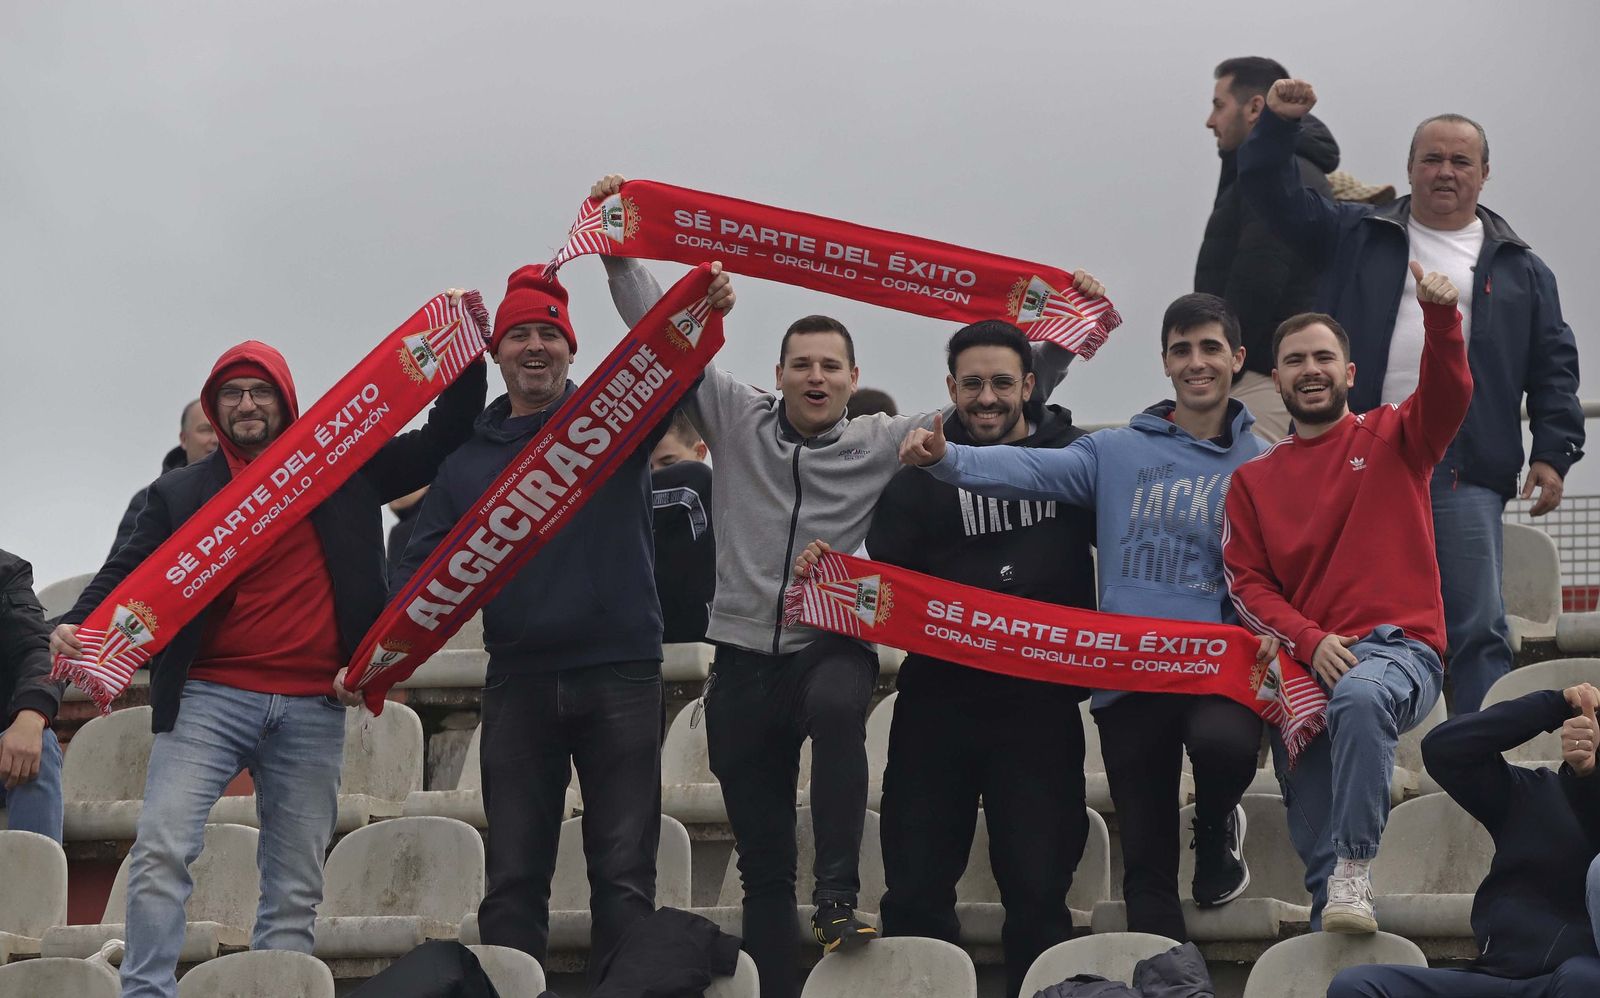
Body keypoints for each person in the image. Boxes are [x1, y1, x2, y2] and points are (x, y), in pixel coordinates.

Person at [592, 165, 1107, 998]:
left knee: (840, 703)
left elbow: (998, 398)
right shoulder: (733, 416)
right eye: (802, 364)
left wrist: (1070, 325)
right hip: (741, 662)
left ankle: (837, 892)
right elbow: (665, 337)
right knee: (761, 868)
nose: (817, 378)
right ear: (781, 372)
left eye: (832, 365)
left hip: (826, 648)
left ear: (850, 373)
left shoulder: (882, 439)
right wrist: (619, 256)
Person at [51, 332, 485, 998]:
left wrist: (462, 352)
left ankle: (277, 989)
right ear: (213, 407)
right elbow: (124, 571)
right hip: (206, 698)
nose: (247, 404)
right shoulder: (179, 492)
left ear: (285, 400)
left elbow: (446, 435)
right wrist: (72, 623)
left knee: (295, 878)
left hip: (314, 702)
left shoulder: (340, 466)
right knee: (161, 849)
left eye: (260, 391)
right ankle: (144, 992)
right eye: (233, 393)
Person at [393, 264, 734, 985]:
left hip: (622, 673)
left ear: (573, 348)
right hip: (518, 679)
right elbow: (414, 574)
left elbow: (673, 365)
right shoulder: (464, 466)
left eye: (550, 332)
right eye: (520, 334)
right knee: (514, 881)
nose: (536, 346)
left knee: (623, 876)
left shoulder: (611, 419)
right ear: (497, 353)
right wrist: (368, 653)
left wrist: (698, 308)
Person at [901, 293, 1271, 943]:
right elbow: (1028, 466)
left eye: (1210, 347)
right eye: (1182, 349)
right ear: (1164, 362)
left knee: (1224, 744)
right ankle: (1171, 985)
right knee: (1146, 870)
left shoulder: (1265, 462)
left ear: (1237, 359)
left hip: (1217, 662)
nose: (1196, 362)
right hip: (1128, 673)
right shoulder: (1115, 452)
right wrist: (948, 461)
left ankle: (1215, 825)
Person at [1238, 77, 1584, 714]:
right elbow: (1268, 192)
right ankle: (1355, 745)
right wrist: (1278, 127)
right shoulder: (1355, 232)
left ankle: (1477, 760)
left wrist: (1554, 449)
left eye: (1460, 160)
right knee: (1337, 619)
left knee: (1478, 625)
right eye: (1432, 158)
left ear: (1484, 174)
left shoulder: (1522, 267)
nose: (1445, 172)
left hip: (1464, 464)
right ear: (1409, 169)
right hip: (1357, 458)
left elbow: (1553, 362)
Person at [1221, 268, 1473, 932]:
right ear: (1275, 379)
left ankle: (1359, 867)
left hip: (1399, 652)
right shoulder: (1251, 482)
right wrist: (1309, 639)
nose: (1310, 369)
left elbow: (1450, 394)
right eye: (1296, 360)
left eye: (1323, 357)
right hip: (1304, 674)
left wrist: (1442, 320)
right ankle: (1336, 912)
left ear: (1350, 372)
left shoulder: (1395, 435)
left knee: (1363, 696)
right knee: (1320, 880)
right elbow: (1246, 583)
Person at [857, 319, 1096, 998]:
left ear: (1029, 384)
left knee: (1040, 891)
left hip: (1040, 707)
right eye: (972, 385)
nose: (986, 398)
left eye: (1000, 382)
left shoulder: (1075, 460)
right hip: (939, 705)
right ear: (950, 389)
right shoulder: (917, 472)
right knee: (915, 889)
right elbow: (889, 584)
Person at [1327, 683, 1600, 996]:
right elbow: (1444, 750)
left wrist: (1589, 779)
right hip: (1493, 976)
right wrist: (1557, 704)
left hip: (1573, 982)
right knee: (1356, 986)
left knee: (1585, 978)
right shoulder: (1532, 792)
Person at [1197, 56, 1339, 442]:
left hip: (1261, 379)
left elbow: (1259, 279)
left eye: (1219, 105)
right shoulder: (1268, 175)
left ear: (1255, 107)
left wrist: (1220, 364)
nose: (1211, 121)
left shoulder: (1283, 179)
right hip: (1258, 372)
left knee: (1254, 496)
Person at [0, 549, 64, 841]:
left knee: (38, 745)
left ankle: (34, 885)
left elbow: (34, 650)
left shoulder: (5, 571)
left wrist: (31, 715)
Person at [109, 399, 218, 558]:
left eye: (221, 430)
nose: (216, 439)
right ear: (183, 439)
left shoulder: (252, 491)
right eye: (205, 430)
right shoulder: (148, 499)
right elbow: (121, 566)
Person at [650, 412, 716, 645]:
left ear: (700, 452)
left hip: (702, 633)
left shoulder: (701, 482)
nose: (657, 474)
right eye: (647, 468)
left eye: (668, 463)